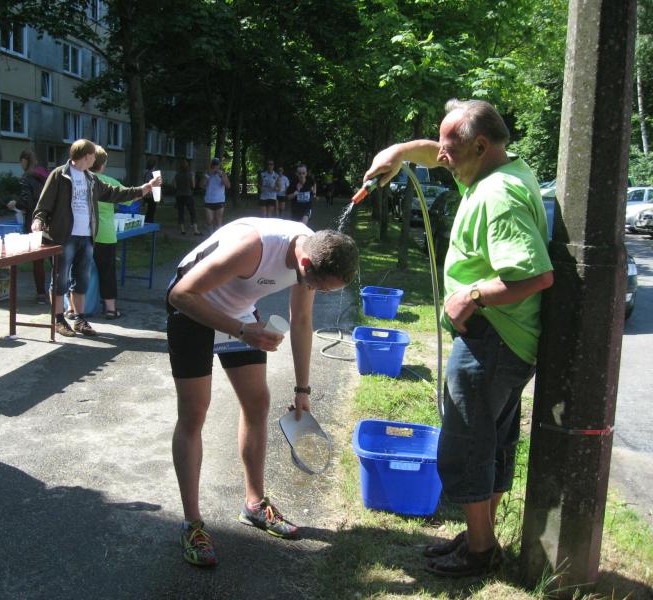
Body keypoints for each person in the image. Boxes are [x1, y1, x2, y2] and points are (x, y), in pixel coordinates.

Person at [364, 98, 554, 578]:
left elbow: (535, 275)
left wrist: (469, 296)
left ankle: (480, 552)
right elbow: (435, 152)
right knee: (491, 441)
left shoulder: (498, 195)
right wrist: (398, 153)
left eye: (450, 145)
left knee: (465, 446)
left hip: (492, 340)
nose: (442, 154)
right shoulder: (492, 169)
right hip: (507, 341)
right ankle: (479, 536)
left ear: (480, 145)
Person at [167, 217, 359, 567]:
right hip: (193, 309)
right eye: (322, 288)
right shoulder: (252, 246)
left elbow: (302, 321)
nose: (322, 293)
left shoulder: (312, 253)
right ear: (305, 263)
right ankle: (192, 524)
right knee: (194, 413)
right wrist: (242, 331)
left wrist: (302, 389)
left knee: (258, 403)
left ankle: (254, 505)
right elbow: (179, 294)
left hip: (239, 314)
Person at [32, 139, 160, 337]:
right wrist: (38, 220)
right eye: (93, 155)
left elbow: (115, 193)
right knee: (60, 280)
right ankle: (58, 320)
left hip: (86, 237)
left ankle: (79, 319)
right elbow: (44, 204)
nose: (96, 159)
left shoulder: (91, 179)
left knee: (81, 280)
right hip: (64, 237)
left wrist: (145, 188)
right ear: (86, 156)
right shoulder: (59, 174)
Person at [90, 145, 133, 319]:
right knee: (107, 272)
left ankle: (74, 309)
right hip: (105, 234)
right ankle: (110, 309)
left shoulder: (81, 179)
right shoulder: (110, 182)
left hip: (83, 233)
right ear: (103, 164)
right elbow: (129, 200)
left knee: (78, 271)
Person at [7, 150, 49, 304]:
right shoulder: (47, 176)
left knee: (37, 259)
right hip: (52, 220)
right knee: (55, 258)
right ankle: (59, 294)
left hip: (35, 221)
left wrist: (15, 204)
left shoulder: (26, 178)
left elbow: (27, 202)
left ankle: (41, 294)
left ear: (24, 161)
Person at [201, 157, 229, 235]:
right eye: (214, 165)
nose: (215, 167)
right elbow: (201, 185)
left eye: (217, 165)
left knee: (218, 221)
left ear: (219, 165)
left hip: (219, 201)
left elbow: (228, 185)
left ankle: (217, 236)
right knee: (209, 221)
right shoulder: (207, 174)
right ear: (211, 165)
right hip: (209, 201)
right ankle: (211, 234)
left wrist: (221, 176)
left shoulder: (223, 174)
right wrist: (208, 175)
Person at [174, 159, 200, 236]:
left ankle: (182, 230)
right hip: (188, 195)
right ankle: (195, 230)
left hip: (179, 195)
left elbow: (175, 186)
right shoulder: (190, 175)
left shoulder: (177, 175)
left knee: (181, 212)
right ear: (188, 166)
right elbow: (193, 186)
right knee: (192, 212)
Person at [143, 157, 158, 224]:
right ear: (154, 165)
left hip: (149, 193)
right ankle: (149, 222)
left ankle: (148, 221)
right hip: (151, 194)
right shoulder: (151, 173)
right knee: (151, 209)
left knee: (150, 209)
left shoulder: (147, 173)